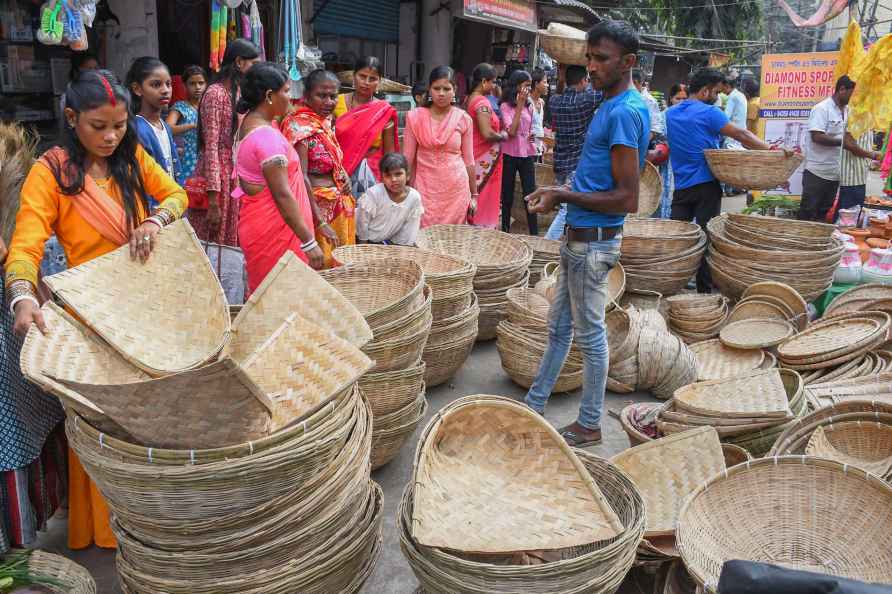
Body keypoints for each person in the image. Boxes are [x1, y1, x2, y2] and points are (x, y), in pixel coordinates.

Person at [5, 69, 188, 550]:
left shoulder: (131, 158)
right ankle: (107, 530)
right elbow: (27, 242)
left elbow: (176, 194)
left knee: (145, 415)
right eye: (98, 126)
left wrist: (153, 220)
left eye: (120, 125)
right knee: (99, 422)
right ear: (71, 118)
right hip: (89, 314)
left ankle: (150, 516)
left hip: (137, 305)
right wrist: (23, 295)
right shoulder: (52, 171)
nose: (110, 137)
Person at [523, 20, 650, 447]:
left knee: (590, 335)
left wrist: (561, 194)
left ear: (628, 62)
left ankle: (590, 422)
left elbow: (627, 197)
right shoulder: (610, 104)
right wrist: (563, 195)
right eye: (589, 58)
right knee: (560, 328)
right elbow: (600, 184)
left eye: (602, 59)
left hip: (592, 243)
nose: (592, 67)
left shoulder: (624, 112)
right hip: (581, 238)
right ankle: (536, 402)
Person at [666, 67, 775, 292]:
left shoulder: (670, 113)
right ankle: (704, 292)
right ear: (705, 91)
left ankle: (672, 286)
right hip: (706, 185)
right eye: (716, 92)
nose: (717, 97)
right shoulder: (710, 113)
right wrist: (770, 149)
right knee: (707, 240)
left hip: (681, 186)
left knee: (678, 240)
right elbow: (742, 135)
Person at [233, 63, 323, 293]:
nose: (290, 96)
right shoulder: (266, 137)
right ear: (269, 96)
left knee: (269, 299)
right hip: (277, 233)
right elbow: (282, 195)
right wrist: (308, 242)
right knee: (282, 299)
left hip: (262, 227)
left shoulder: (252, 123)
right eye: (285, 90)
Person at [282, 69, 354, 267]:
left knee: (341, 270)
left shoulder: (324, 122)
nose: (329, 102)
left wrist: (343, 175)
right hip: (316, 211)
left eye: (333, 96)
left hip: (339, 207)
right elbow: (300, 176)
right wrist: (320, 221)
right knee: (321, 269)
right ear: (307, 96)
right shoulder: (299, 127)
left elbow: (332, 160)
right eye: (321, 96)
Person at [191, 38, 261, 246]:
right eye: (254, 64)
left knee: (231, 241)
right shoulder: (215, 94)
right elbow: (211, 145)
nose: (256, 70)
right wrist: (213, 199)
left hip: (232, 176)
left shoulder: (238, 93)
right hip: (217, 178)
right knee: (213, 241)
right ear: (239, 62)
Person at [403, 66, 477, 227]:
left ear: (455, 90)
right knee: (422, 236)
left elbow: (469, 160)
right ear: (429, 89)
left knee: (452, 241)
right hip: (424, 188)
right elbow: (407, 158)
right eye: (436, 88)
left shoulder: (463, 119)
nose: (441, 93)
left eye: (446, 88)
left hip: (456, 190)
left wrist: (474, 194)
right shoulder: (415, 117)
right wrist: (404, 189)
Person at [544, 65, 601, 240]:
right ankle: (547, 243)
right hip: (576, 163)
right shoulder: (586, 101)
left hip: (560, 162)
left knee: (565, 205)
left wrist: (562, 79)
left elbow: (561, 92)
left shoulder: (554, 101)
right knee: (566, 209)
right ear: (584, 80)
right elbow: (603, 90)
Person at [333, 56, 399, 194]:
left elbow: (389, 156)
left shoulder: (383, 111)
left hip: (371, 175)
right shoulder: (335, 103)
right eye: (362, 76)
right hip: (338, 172)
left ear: (379, 82)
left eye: (373, 79)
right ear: (353, 76)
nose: (366, 82)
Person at [799, 76, 856, 221]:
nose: (853, 97)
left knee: (824, 212)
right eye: (852, 92)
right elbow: (817, 137)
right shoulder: (822, 109)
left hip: (835, 172)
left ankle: (817, 242)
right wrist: (843, 143)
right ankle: (801, 242)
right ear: (842, 89)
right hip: (816, 171)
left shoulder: (849, 110)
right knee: (808, 211)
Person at [466, 63, 508, 229]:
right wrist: (502, 136)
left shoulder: (470, 99)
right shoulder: (482, 103)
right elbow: (487, 133)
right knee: (483, 198)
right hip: (484, 161)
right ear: (484, 81)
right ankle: (482, 232)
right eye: (493, 82)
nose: (494, 86)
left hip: (477, 156)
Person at [127, 57, 179, 184]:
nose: (165, 90)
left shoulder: (164, 126)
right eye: (156, 85)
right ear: (137, 89)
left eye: (168, 84)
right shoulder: (137, 128)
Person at [499, 69, 538, 235]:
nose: (528, 90)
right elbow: (512, 132)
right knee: (507, 195)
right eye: (526, 86)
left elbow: (528, 129)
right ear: (516, 87)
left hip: (526, 154)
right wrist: (520, 106)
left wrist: (531, 137)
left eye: (530, 86)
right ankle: (506, 230)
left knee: (530, 193)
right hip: (509, 154)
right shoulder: (505, 106)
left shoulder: (530, 105)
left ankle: (534, 233)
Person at [356, 153, 424, 245]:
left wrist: (402, 250)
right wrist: (363, 247)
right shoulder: (374, 194)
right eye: (388, 176)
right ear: (382, 178)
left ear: (407, 175)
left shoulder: (414, 197)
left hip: (388, 243)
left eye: (398, 174)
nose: (394, 179)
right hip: (364, 240)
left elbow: (409, 230)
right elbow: (362, 223)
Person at [167, 65, 207, 184]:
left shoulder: (209, 106)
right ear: (184, 86)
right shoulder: (181, 107)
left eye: (201, 83)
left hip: (208, 158)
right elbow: (167, 128)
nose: (197, 87)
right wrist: (193, 126)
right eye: (192, 83)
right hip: (188, 159)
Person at [656, 83, 687, 218]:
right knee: (667, 194)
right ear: (671, 99)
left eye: (684, 99)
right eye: (677, 98)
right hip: (669, 163)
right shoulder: (663, 115)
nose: (681, 102)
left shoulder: (690, 116)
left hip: (686, 163)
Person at [839, 125, 882, 210]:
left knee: (851, 214)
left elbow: (861, 144)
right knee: (848, 217)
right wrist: (872, 155)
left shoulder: (868, 118)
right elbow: (848, 143)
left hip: (859, 175)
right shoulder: (858, 114)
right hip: (852, 177)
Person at [632, 69, 664, 140]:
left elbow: (655, 127)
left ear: (641, 82)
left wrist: (643, 142)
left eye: (634, 83)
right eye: (630, 83)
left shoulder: (649, 101)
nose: (632, 86)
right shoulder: (624, 96)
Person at [722, 76, 748, 150]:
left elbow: (726, 116)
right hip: (741, 130)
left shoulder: (732, 97)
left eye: (722, 88)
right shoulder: (741, 95)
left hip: (733, 132)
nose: (721, 91)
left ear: (727, 86)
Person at [531, 69, 548, 158]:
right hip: (528, 149)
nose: (547, 85)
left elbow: (539, 125)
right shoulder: (527, 102)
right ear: (536, 84)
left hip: (538, 149)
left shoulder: (541, 102)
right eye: (544, 82)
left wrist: (543, 142)